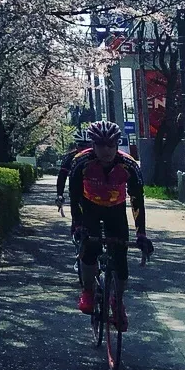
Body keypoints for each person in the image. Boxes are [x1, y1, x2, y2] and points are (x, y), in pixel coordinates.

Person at [69, 119, 152, 330]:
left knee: (121, 259)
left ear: (117, 145)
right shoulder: (81, 162)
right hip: (90, 208)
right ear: (93, 145)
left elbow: (137, 200)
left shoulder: (129, 165)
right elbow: (75, 195)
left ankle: (118, 301)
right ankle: (88, 290)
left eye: (111, 145)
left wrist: (141, 233)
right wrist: (77, 224)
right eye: (101, 145)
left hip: (116, 209)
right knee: (90, 249)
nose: (106, 150)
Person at [56, 135, 92, 216]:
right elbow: (62, 175)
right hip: (76, 189)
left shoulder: (97, 155)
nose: (84, 149)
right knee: (77, 212)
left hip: (95, 189)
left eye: (88, 146)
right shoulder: (70, 157)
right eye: (81, 146)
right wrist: (59, 194)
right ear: (76, 146)